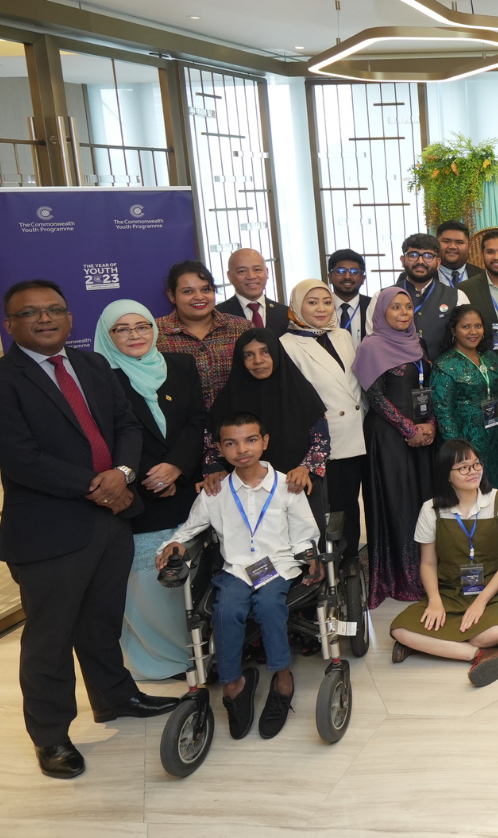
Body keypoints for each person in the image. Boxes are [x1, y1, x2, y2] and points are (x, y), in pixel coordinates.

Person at [0, 281, 173, 777]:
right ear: (8, 324)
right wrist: (99, 486)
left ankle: (115, 697)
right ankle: (51, 736)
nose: (45, 318)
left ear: (70, 318)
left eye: (54, 309)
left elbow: (126, 426)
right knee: (50, 639)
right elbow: (21, 459)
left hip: (111, 519)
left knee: (102, 621)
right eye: (30, 313)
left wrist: (123, 474)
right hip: (49, 531)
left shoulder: (92, 365)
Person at [157, 412, 320, 739]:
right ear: (220, 448)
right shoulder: (215, 491)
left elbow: (305, 534)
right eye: (231, 443)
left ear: (265, 442)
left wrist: (311, 556)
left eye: (251, 440)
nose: (242, 449)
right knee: (225, 610)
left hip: (276, 564)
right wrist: (172, 545)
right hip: (236, 568)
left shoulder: (286, 486)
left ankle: (282, 677)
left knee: (269, 606)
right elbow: (188, 530)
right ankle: (233, 683)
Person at [92, 300, 205, 682]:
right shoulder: (98, 378)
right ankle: (162, 660)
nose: (134, 335)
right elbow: (105, 439)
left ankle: (201, 651)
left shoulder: (180, 365)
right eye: (121, 329)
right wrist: (150, 479)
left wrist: (177, 467)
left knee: (194, 576)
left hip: (186, 490)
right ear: (107, 335)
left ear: (154, 329)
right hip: (137, 496)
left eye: (141, 326)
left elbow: (197, 420)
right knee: (149, 585)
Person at [388, 440, 498, 687]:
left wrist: (481, 602)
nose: (473, 471)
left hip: (494, 590)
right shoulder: (431, 509)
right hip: (450, 591)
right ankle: (477, 654)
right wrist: (435, 601)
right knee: (399, 630)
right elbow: (428, 564)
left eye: (476, 464)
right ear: (446, 475)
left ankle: (429, 645)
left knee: (497, 632)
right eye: (463, 467)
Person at [355, 285, 438, 608]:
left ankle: (426, 572)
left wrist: (429, 425)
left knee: (422, 501)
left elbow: (427, 389)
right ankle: (402, 578)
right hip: (389, 436)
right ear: (381, 312)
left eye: (407, 307)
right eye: (395, 307)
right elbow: (375, 397)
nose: (403, 313)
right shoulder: (371, 347)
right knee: (398, 502)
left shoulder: (418, 343)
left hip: (422, 435)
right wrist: (408, 428)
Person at [204, 328, 331, 527]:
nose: (258, 360)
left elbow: (321, 441)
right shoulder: (228, 399)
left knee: (305, 542)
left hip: (296, 485)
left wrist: (304, 468)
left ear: (276, 353)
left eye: (265, 352)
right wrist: (215, 469)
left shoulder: (300, 392)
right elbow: (212, 444)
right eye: (249, 355)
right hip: (244, 491)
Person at [280, 279, 368, 561]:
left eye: (327, 302)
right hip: (324, 438)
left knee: (351, 503)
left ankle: (351, 561)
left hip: (357, 431)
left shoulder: (341, 335)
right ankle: (331, 565)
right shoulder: (286, 344)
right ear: (296, 306)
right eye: (312, 302)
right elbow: (296, 399)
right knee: (329, 508)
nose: (321, 308)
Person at [432, 306, 498, 504]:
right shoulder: (444, 365)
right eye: (466, 327)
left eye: (478, 326)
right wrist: (458, 451)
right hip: (466, 442)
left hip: (496, 439)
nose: (473, 332)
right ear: (453, 331)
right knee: (473, 495)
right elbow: (443, 412)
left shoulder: (490, 357)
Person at [156, 259, 251, 406]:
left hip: (238, 416)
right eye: (188, 291)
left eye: (205, 289)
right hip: (178, 419)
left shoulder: (241, 328)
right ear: (172, 296)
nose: (199, 297)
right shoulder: (155, 333)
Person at [395, 232, 466, 361]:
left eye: (428, 256)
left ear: (438, 263)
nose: (420, 261)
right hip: (397, 370)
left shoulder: (457, 296)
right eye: (413, 255)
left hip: (444, 371)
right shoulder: (382, 297)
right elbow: (376, 342)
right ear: (402, 260)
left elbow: (466, 339)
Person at [218, 248, 288, 336]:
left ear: (266, 272)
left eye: (257, 270)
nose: (251, 276)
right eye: (242, 271)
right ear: (229, 276)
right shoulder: (218, 316)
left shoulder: (286, 314)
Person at [327, 249, 371, 346]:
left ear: (363, 279)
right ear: (330, 277)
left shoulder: (374, 306)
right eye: (340, 271)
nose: (347, 277)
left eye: (354, 272)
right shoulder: (320, 308)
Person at [435, 219, 474, 288]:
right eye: (446, 241)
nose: (452, 247)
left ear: (469, 247)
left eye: (459, 242)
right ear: (436, 244)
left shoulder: (484, 277)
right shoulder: (423, 276)